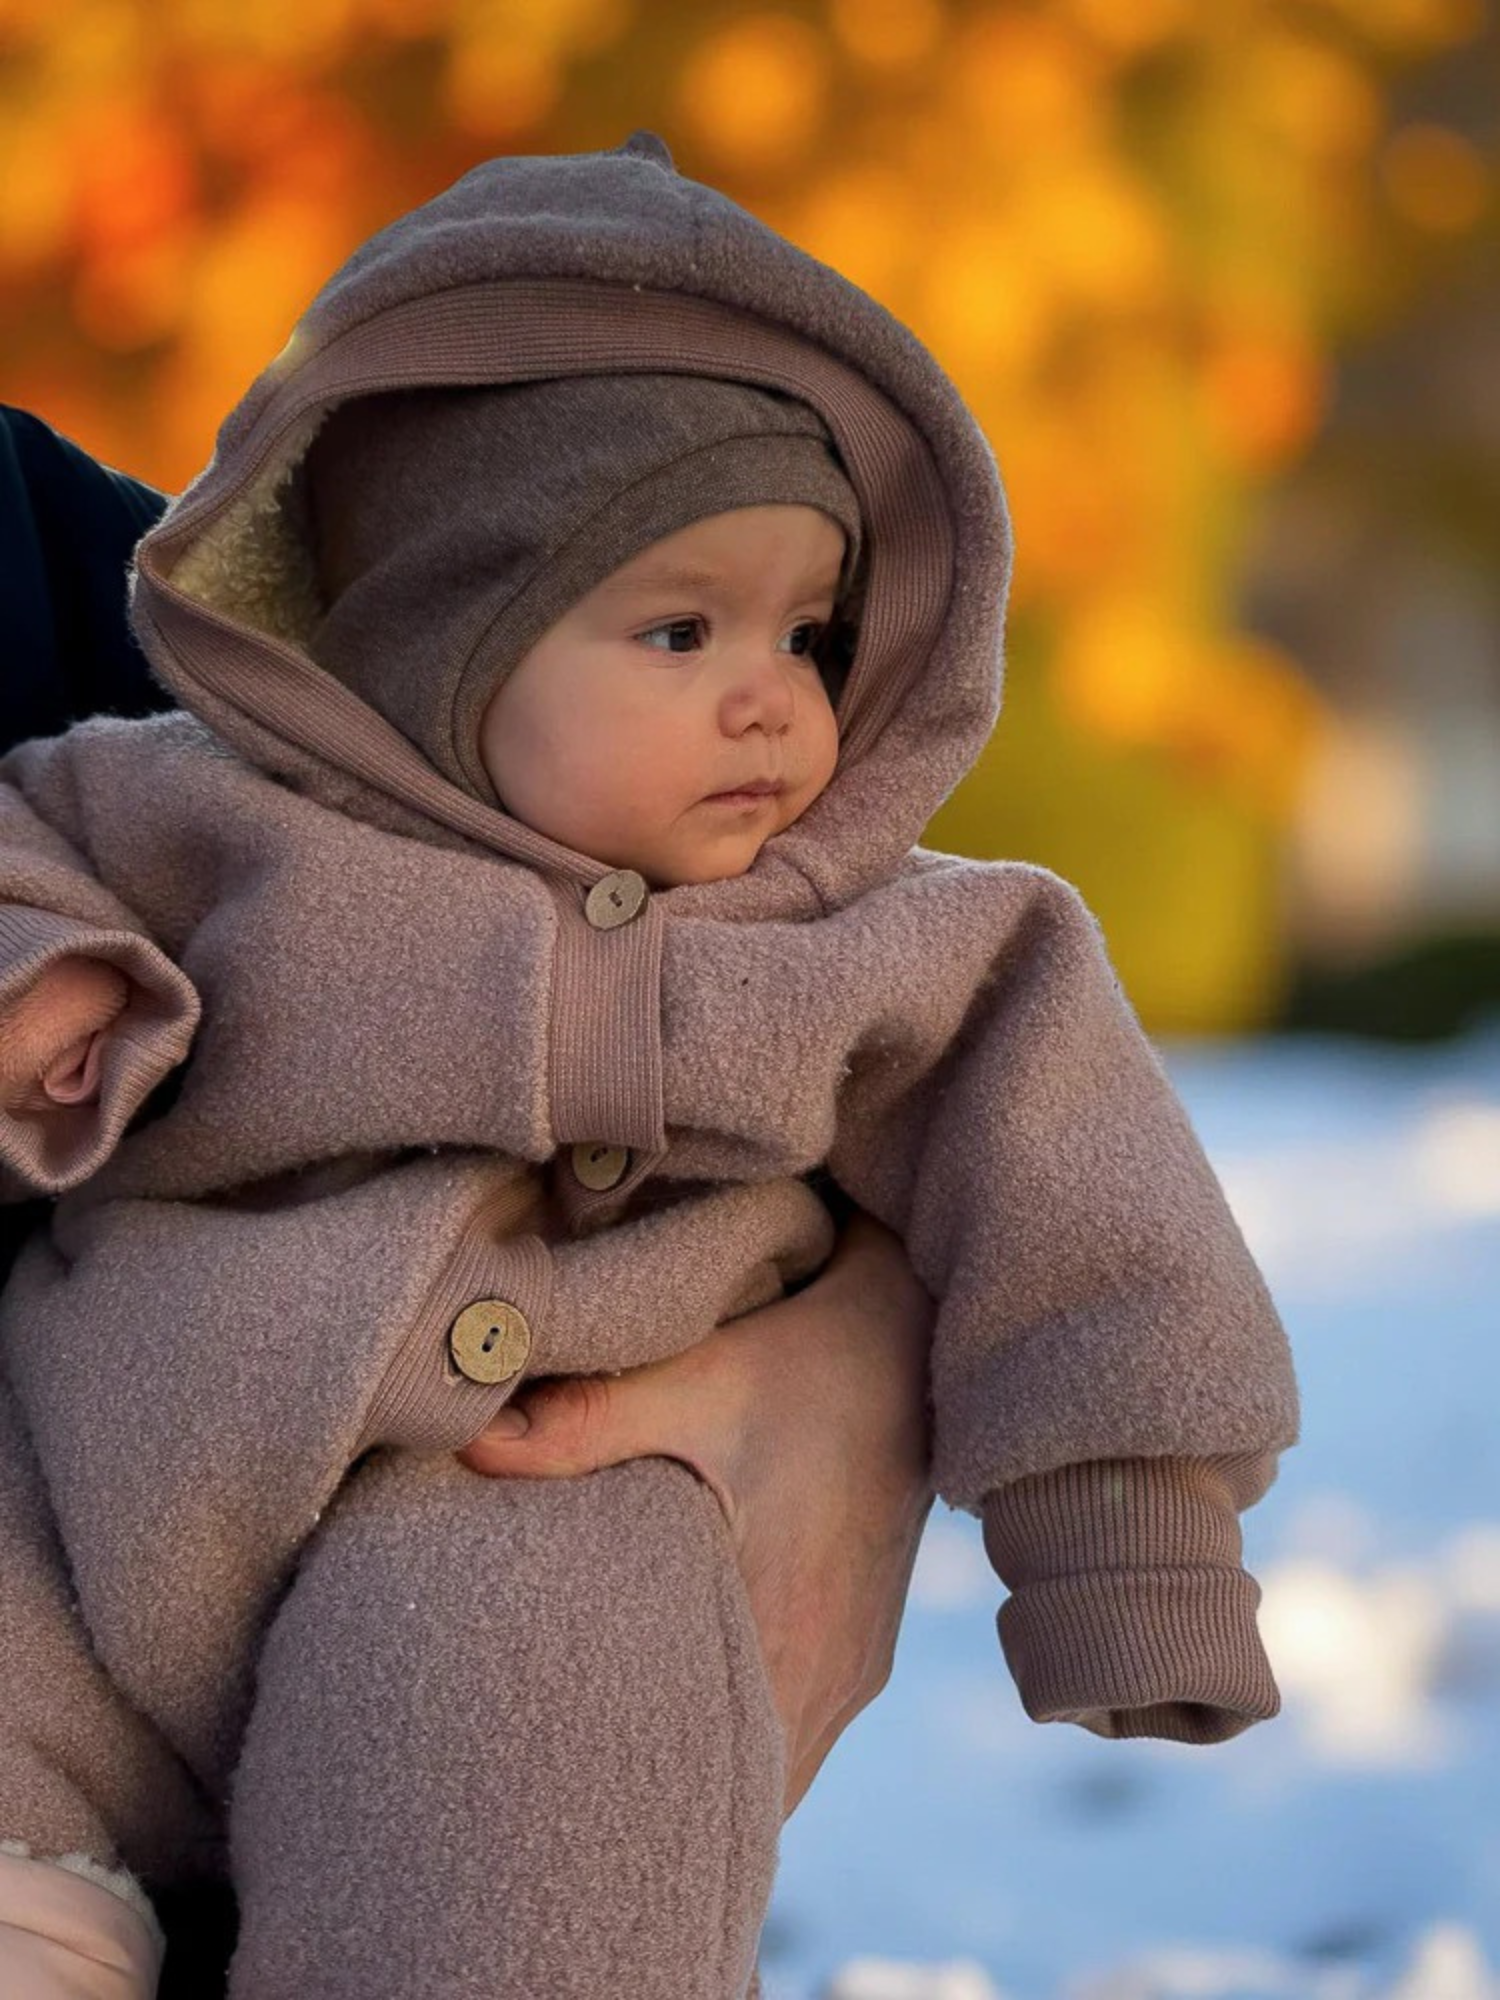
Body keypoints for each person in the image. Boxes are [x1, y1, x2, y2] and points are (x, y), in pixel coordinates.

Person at [0, 131, 1298, 1999]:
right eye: (678, 630)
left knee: (538, 1743)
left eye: (806, 632)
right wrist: (55, 1000)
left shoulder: (893, 935)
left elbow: (1087, 1196)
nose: (773, 697)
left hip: (524, 1506)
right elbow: (23, 845)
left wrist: (1130, 1536)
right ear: (442, 653)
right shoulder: (209, 813)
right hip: (100, 1497)